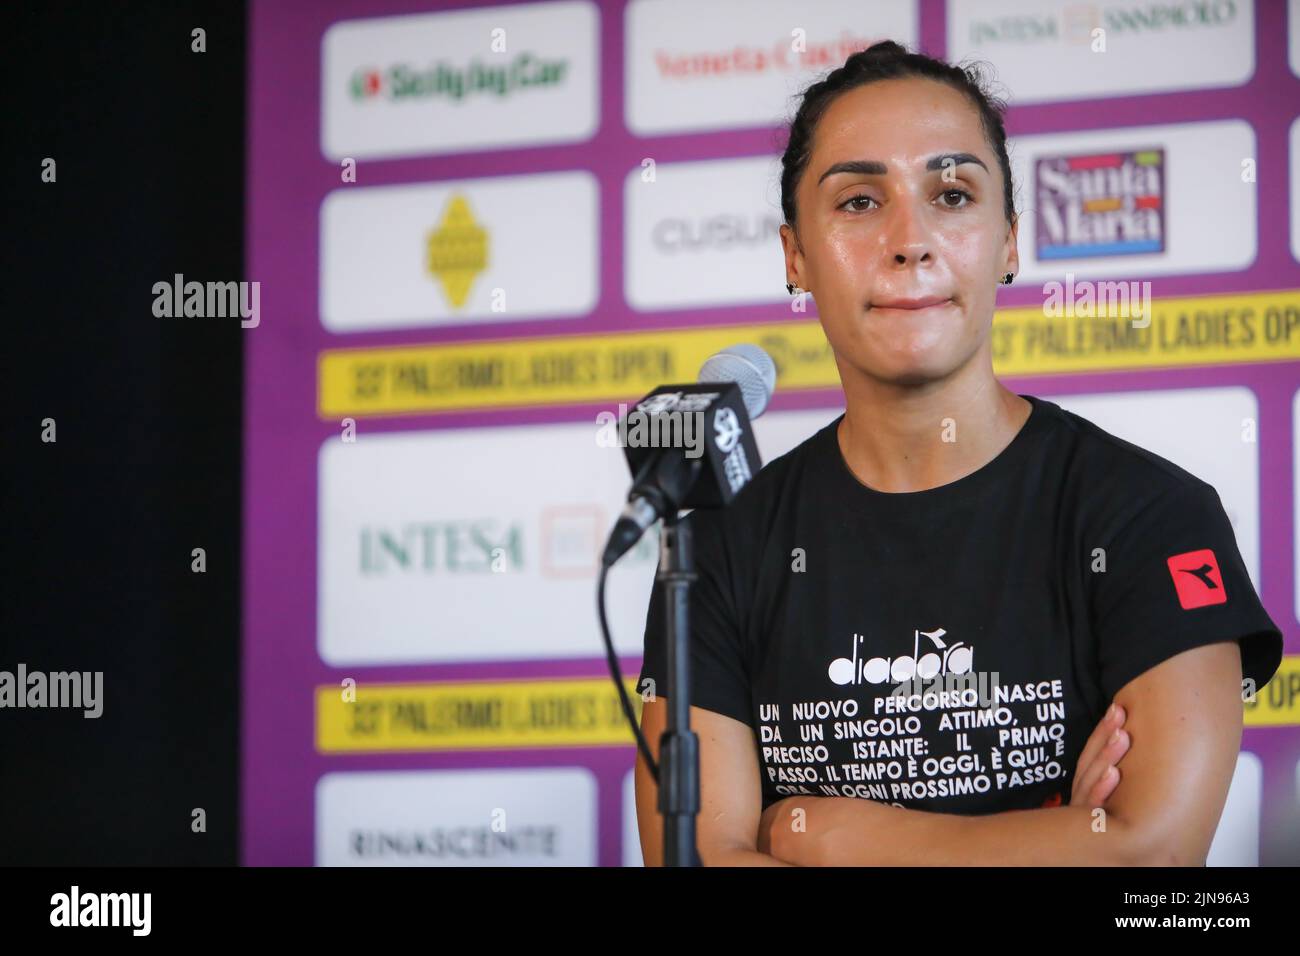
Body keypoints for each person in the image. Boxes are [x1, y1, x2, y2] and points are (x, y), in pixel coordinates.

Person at [633, 40, 1283, 867]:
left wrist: (823, 834)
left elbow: (1145, 860)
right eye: (860, 202)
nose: (911, 241)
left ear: (1010, 242)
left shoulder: (1148, 515)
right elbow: (697, 861)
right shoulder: (716, 551)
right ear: (795, 255)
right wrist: (1045, 840)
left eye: (951, 193)